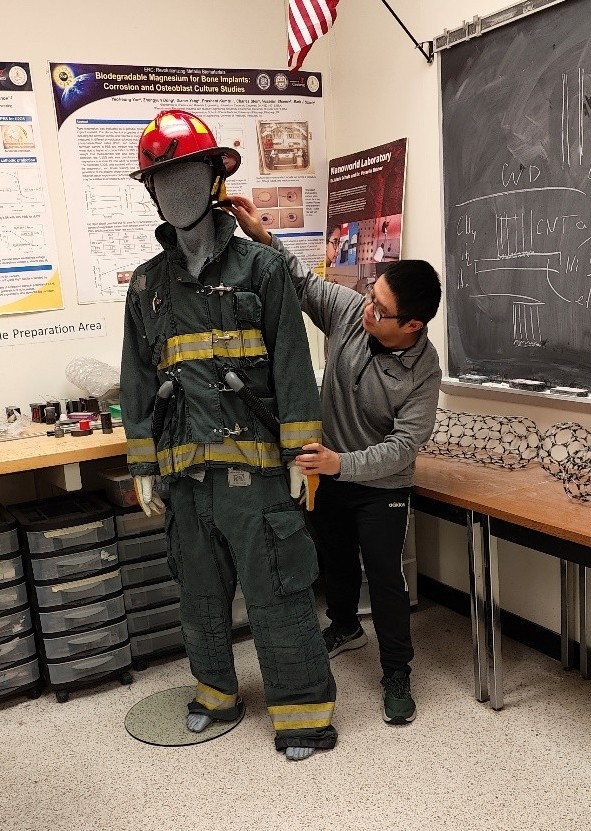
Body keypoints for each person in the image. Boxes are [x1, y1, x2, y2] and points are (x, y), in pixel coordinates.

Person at [120, 110, 337, 760]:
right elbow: (136, 379)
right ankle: (215, 693)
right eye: (163, 179)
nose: (176, 191)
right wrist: (142, 462)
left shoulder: (261, 270)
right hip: (185, 476)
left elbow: (294, 364)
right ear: (151, 190)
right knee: (200, 597)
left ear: (215, 177)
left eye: (188, 174)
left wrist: (304, 451)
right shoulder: (146, 285)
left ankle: (302, 712)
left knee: (276, 591)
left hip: (257, 473)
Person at [230, 195, 442, 725]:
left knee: (385, 576)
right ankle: (345, 626)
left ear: (412, 325)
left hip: (382, 484)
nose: (367, 309)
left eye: (381, 309)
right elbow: (303, 283)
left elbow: (403, 447)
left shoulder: (424, 370)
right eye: (370, 297)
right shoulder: (351, 313)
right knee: (335, 556)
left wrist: (339, 464)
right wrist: (262, 235)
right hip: (331, 469)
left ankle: (397, 672)